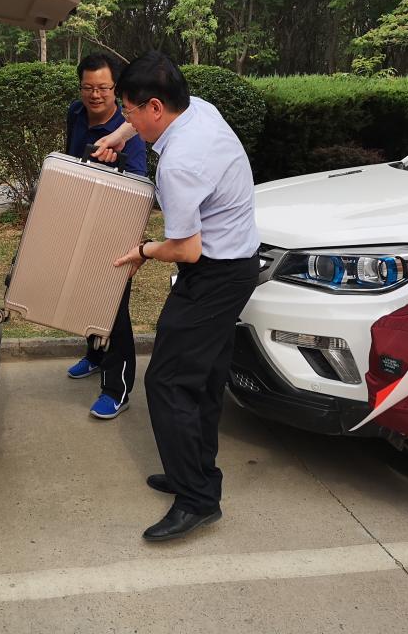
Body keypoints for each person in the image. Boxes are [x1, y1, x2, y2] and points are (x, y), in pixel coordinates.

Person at [93, 51, 260, 541]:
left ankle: (197, 500)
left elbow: (186, 249)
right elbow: (141, 118)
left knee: (167, 381)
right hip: (235, 265)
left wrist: (143, 250)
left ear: (155, 108)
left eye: (128, 111)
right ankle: (196, 473)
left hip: (213, 273)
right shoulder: (196, 110)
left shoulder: (181, 164)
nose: (125, 118)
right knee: (203, 378)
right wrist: (119, 135)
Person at [63, 52, 148, 419]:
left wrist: (114, 169)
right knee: (85, 295)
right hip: (78, 220)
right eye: (88, 87)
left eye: (103, 88)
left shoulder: (130, 131)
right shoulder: (75, 113)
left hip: (114, 231)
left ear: (116, 89)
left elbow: (139, 191)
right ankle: (95, 355)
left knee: (113, 308)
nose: (95, 95)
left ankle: (118, 389)